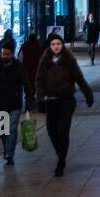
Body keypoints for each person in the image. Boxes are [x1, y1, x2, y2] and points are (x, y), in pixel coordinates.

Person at [34, 33, 94, 177]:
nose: (56, 47)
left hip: (66, 101)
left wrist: (88, 94)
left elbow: (79, 78)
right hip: (51, 101)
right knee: (51, 131)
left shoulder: (69, 60)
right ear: (49, 46)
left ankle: (61, 161)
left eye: (58, 44)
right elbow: (39, 81)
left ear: (62, 45)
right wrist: (40, 99)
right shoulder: (44, 61)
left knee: (63, 131)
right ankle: (60, 154)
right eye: (53, 44)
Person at [0, 41, 33, 165]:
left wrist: (29, 99)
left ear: (12, 54)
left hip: (15, 103)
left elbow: (27, 83)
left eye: (7, 54)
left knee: (12, 129)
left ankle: (10, 154)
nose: (5, 56)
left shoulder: (19, 67)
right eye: (3, 54)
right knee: (0, 130)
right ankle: (5, 147)